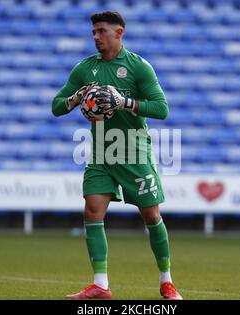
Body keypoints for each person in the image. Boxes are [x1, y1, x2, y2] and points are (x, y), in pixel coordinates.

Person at [52, 11, 182, 300]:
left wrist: (125, 102)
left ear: (119, 33)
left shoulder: (139, 67)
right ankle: (100, 285)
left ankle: (166, 281)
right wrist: (76, 99)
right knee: (92, 210)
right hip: (101, 153)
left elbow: (162, 109)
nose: (96, 37)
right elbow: (56, 106)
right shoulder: (84, 69)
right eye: (93, 32)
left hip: (134, 150)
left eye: (101, 31)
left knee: (151, 215)